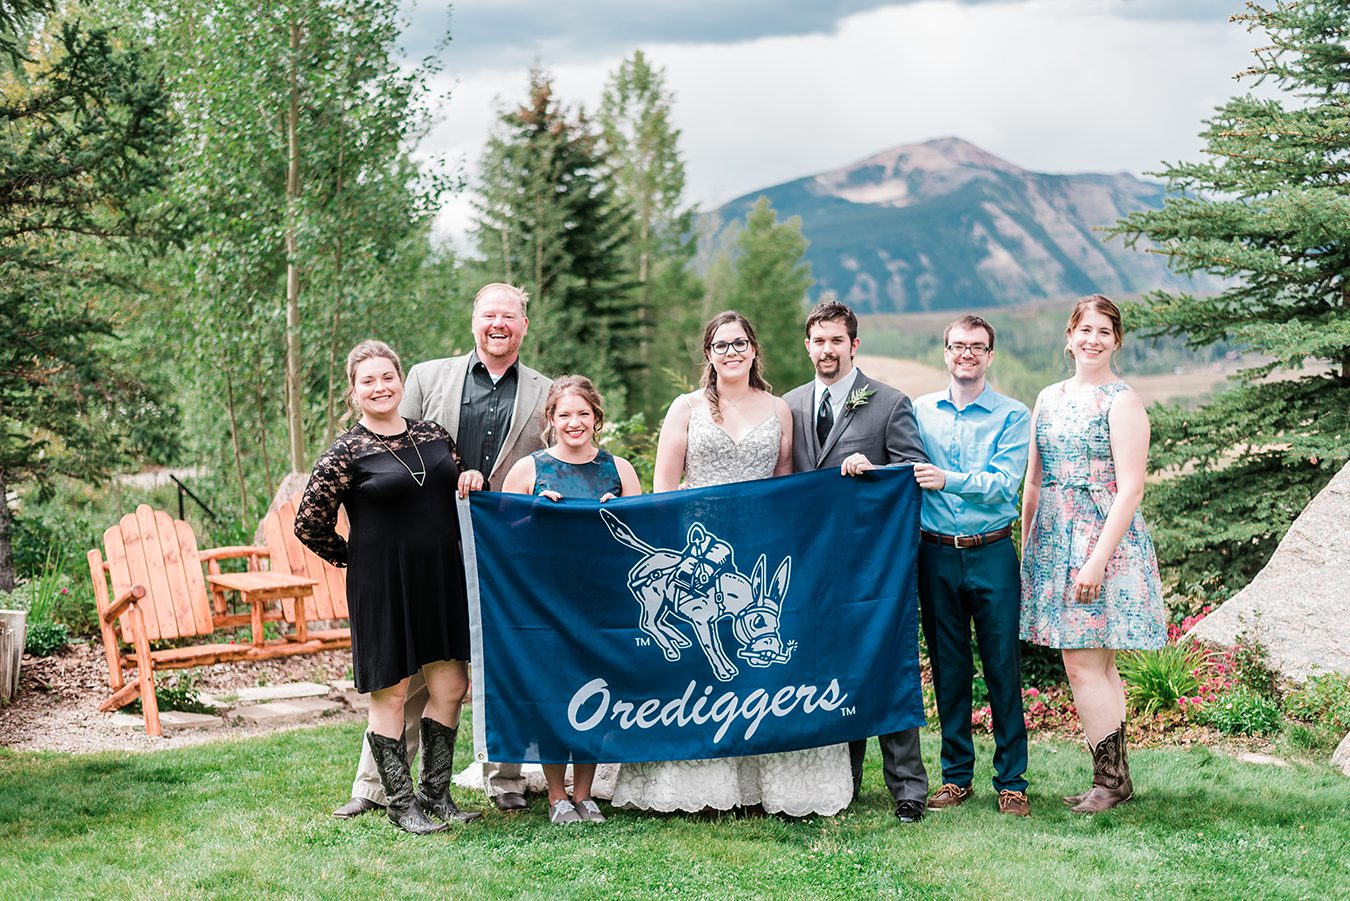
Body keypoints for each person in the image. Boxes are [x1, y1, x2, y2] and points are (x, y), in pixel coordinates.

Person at [611, 310, 853, 817]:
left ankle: (767, 783)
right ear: (708, 354)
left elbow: (786, 483)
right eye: (721, 345)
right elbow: (664, 488)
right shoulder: (686, 407)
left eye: (740, 343)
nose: (732, 352)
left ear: (754, 349)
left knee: (758, 670)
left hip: (757, 542)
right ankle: (696, 781)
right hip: (699, 546)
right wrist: (678, 554)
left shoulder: (780, 409)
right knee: (701, 665)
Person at [331, 283, 552, 819]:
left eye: (509, 315)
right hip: (424, 545)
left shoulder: (545, 391)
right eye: (488, 314)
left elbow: (553, 458)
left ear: (524, 324)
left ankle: (504, 777)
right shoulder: (429, 377)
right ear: (473, 321)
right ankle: (377, 785)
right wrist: (360, 551)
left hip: (503, 546)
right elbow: (383, 441)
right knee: (404, 665)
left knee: (492, 663)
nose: (498, 324)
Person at [295, 339, 486, 833]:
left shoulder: (435, 434)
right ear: (354, 392)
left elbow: (456, 487)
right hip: (383, 586)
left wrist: (471, 478)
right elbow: (309, 524)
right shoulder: (345, 451)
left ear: (401, 381)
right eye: (368, 381)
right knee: (392, 694)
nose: (380, 387)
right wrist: (358, 558)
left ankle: (436, 794)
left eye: (387, 377)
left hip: (442, 577)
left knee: (451, 685)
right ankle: (401, 806)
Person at [782, 300, 931, 824]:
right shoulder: (790, 404)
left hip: (873, 564)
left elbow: (913, 471)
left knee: (886, 662)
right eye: (818, 341)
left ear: (853, 345)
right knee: (824, 665)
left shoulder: (889, 403)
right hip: (811, 564)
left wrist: (873, 471)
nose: (827, 350)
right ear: (808, 345)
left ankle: (908, 787)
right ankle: (837, 782)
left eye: (836, 341)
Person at [1020, 294, 1166, 814]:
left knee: (1084, 664)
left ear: (1116, 340)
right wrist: (1028, 545)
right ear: (1069, 337)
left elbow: (1130, 490)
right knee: (1096, 666)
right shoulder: (1049, 396)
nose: (1093, 340)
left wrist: (1097, 560)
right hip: (1053, 542)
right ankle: (1113, 779)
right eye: (1085, 330)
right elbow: (1033, 481)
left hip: (1102, 544)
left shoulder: (1121, 400)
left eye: (1104, 331)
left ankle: (1110, 780)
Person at [501, 375, 642, 825]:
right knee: (554, 694)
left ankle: (585, 794)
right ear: (551, 420)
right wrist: (534, 514)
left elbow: (642, 540)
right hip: (546, 603)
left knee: (597, 692)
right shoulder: (528, 470)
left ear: (597, 418)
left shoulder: (620, 471)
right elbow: (501, 538)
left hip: (602, 601)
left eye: (583, 413)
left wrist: (619, 514)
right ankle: (557, 795)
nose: (574, 422)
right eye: (565, 414)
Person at [911, 315, 1032, 817]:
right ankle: (956, 777)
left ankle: (1012, 782)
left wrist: (948, 479)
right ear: (945, 352)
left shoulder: (1013, 415)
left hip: (992, 551)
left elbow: (1005, 483)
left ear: (989, 355)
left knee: (1003, 666)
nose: (967, 354)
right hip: (935, 553)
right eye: (958, 346)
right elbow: (897, 462)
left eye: (977, 347)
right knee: (949, 669)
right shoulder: (917, 412)